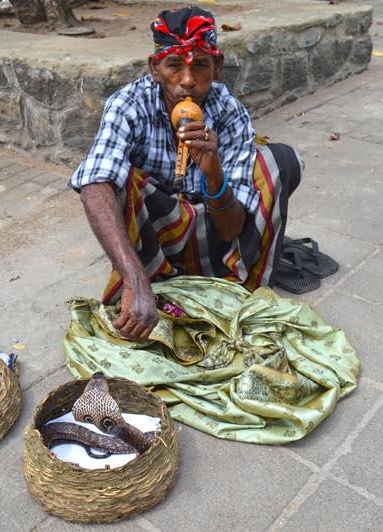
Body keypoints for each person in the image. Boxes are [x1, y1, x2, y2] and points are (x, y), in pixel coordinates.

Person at [70, 6, 322, 342]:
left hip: (214, 241)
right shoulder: (128, 104)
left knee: (280, 159)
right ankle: (145, 288)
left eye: (200, 65)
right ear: (155, 69)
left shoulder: (228, 110)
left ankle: (239, 290)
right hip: (158, 245)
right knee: (109, 180)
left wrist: (214, 173)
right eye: (174, 65)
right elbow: (93, 184)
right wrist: (134, 279)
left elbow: (232, 227)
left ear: (217, 68)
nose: (187, 80)